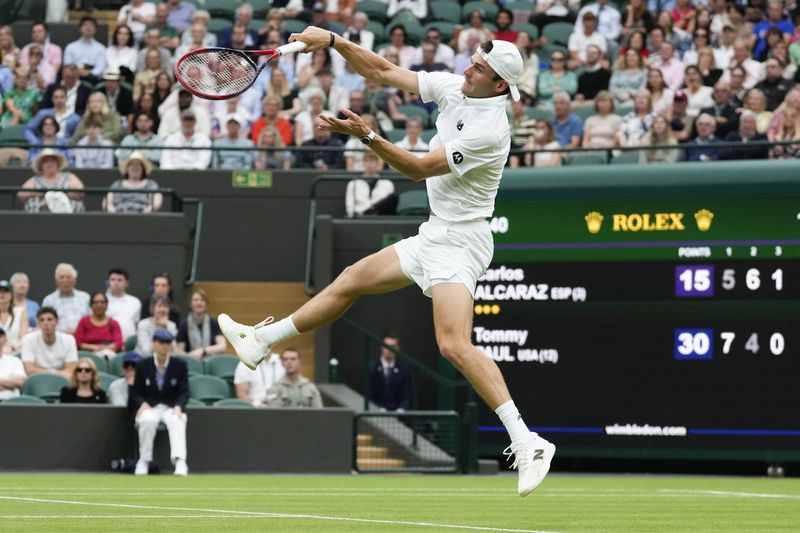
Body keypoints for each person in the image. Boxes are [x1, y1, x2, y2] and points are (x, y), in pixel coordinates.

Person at [219, 27, 556, 497]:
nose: (468, 68)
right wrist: (334, 41)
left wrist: (367, 135)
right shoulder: (453, 87)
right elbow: (381, 69)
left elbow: (418, 169)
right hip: (436, 232)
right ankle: (260, 341)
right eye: (473, 60)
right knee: (350, 280)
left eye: (479, 68)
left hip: (463, 240)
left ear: (499, 85)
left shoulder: (490, 130)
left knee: (453, 344)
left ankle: (527, 441)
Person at [131, 328, 189, 476]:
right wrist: (142, 403)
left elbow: (184, 391)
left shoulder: (180, 365)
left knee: (178, 420)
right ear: (154, 344)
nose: (165, 345)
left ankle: (180, 461)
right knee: (147, 420)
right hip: (150, 406)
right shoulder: (143, 365)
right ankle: (144, 460)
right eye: (161, 342)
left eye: (168, 342)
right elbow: (136, 392)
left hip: (171, 407)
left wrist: (179, 407)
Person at [18, 149, 84, 213]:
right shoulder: (35, 179)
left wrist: (60, 194)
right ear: (41, 165)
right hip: (40, 211)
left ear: (57, 164)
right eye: (46, 162)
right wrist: (42, 194)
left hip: (66, 208)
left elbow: (80, 191)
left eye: (52, 161)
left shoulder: (69, 176)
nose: (49, 164)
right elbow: (22, 194)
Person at [21, 307, 78, 379]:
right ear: (38, 323)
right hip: (38, 379)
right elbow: (29, 369)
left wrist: (53, 374)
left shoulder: (69, 339)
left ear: (56, 322)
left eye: (49, 319)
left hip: (62, 379)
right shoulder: (28, 339)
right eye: (42, 320)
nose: (46, 323)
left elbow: (71, 369)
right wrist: (54, 373)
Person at [41, 263, 90, 334]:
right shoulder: (48, 300)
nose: (65, 280)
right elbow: (44, 323)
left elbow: (93, 321)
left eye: (68, 277)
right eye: (61, 277)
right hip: (58, 339)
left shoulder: (85, 298)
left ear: (74, 280)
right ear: (56, 281)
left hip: (83, 338)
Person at [176, 289, 226, 359]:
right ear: (190, 304)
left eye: (202, 300)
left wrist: (203, 351)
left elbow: (222, 346)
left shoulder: (213, 322)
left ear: (206, 304)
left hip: (210, 362)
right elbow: (180, 351)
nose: (199, 303)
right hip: (192, 362)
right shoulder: (183, 324)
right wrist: (191, 356)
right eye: (195, 300)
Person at [368, 333, 412, 411]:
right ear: (381, 347)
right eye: (386, 346)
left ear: (398, 348)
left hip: (398, 417)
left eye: (393, 346)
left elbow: (407, 396)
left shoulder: (404, 369)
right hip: (374, 414)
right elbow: (368, 394)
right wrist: (378, 409)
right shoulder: (371, 368)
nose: (389, 349)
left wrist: (401, 410)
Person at [74, 292, 124, 358]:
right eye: (96, 302)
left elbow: (118, 343)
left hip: (109, 355)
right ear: (91, 306)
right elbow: (78, 343)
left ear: (107, 305)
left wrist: (103, 348)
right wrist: (94, 348)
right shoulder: (83, 322)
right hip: (88, 356)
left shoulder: (113, 323)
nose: (99, 305)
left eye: (102, 302)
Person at [345, 151, 395, 217]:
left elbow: (389, 207)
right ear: (363, 163)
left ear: (377, 164)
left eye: (372, 161)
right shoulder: (353, 184)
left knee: (393, 197)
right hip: (360, 217)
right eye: (366, 161)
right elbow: (350, 208)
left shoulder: (387, 184)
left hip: (380, 217)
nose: (369, 164)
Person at [63, 16, 107, 82]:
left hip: (93, 78)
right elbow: (67, 64)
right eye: (85, 25)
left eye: (91, 25)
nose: (88, 28)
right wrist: (77, 72)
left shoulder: (101, 48)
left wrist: (89, 73)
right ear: (80, 28)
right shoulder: (71, 47)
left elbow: (101, 68)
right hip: (74, 77)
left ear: (95, 30)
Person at [105, 268, 142, 341]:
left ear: (126, 283)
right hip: (108, 343)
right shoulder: (101, 301)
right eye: (112, 280)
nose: (116, 283)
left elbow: (136, 324)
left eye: (119, 280)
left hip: (130, 344)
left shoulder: (135, 302)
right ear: (108, 282)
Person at [0, 280, 27, 354]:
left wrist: (12, 348)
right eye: (0, 291)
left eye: (5, 291)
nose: (2, 294)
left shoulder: (20, 312)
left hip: (15, 353)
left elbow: (24, 338)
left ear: (11, 295)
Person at [0, 327, 25, 400]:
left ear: (5, 339)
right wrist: (9, 385)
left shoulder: (15, 360)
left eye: (1, 335)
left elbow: (19, 382)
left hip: (12, 403)